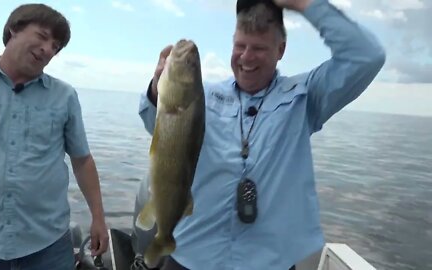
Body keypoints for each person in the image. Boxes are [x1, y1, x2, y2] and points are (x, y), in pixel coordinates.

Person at [134, 0, 386, 269]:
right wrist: (156, 88)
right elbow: (157, 127)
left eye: (258, 48)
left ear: (281, 50)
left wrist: (304, 4)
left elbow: (367, 56)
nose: (246, 57)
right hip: (190, 258)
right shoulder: (202, 95)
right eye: (240, 46)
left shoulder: (305, 97)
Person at [0, 4, 109, 270]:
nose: (48, 49)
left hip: (47, 242)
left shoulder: (65, 96)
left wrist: (98, 217)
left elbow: (82, 160)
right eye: (42, 36)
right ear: (13, 29)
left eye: (56, 47)